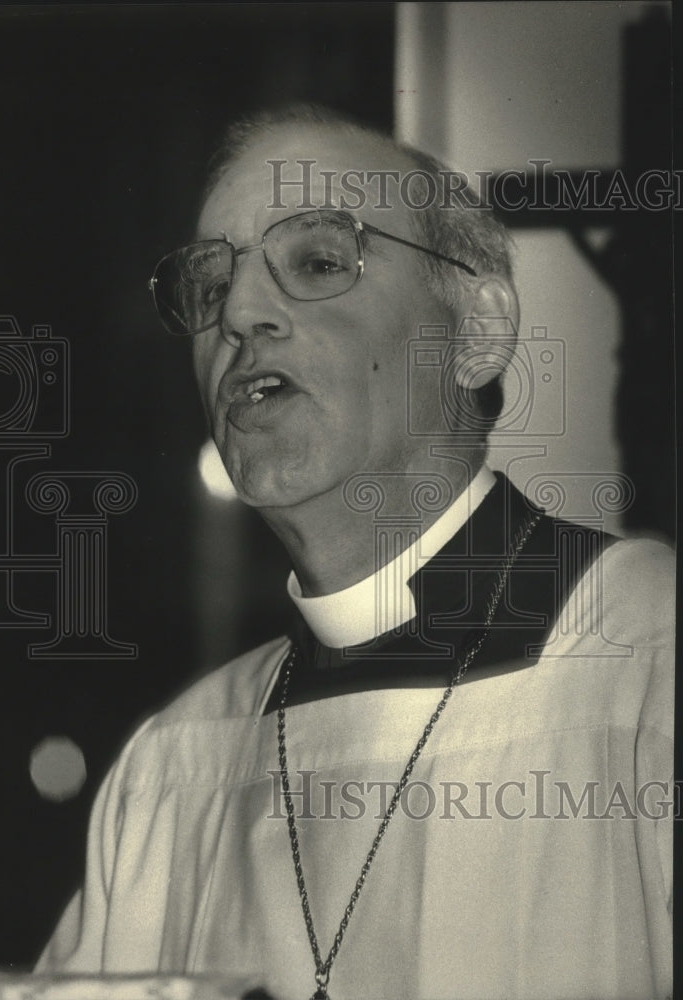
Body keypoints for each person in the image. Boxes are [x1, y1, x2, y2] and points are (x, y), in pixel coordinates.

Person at [37, 105, 673, 1000]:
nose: (240, 316)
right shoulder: (175, 765)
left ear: (475, 334)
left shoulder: (649, 658)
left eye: (318, 260)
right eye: (209, 286)